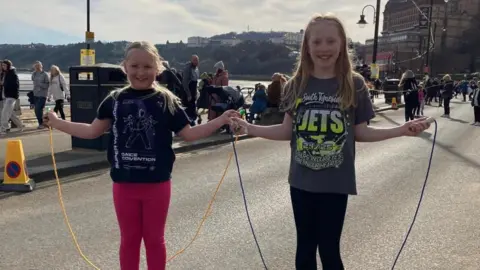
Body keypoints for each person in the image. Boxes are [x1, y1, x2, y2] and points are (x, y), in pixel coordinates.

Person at [229, 14, 430, 270]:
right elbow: (285, 131)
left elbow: (362, 133)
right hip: (301, 182)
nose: (324, 48)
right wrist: (248, 127)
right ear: (307, 46)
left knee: (329, 250)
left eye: (331, 41)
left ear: (342, 44)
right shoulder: (295, 84)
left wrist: (401, 130)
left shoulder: (354, 84)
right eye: (317, 42)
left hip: (336, 183)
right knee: (304, 248)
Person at [42, 41, 239, 270]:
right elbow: (91, 130)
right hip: (124, 184)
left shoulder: (166, 100)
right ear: (124, 67)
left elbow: (189, 134)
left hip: (157, 184)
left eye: (147, 66)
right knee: (129, 240)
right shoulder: (115, 100)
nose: (140, 72)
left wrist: (221, 120)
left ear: (158, 69)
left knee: (154, 240)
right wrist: (58, 123)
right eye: (134, 65)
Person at [0, 59, 23, 135]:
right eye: (2, 65)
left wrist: (4, 84)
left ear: (8, 65)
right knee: (10, 113)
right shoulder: (5, 73)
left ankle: (4, 128)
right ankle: (20, 125)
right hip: (6, 96)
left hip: (11, 96)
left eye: (4, 65)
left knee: (5, 112)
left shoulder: (12, 74)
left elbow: (15, 85)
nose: (3, 67)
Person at [182, 55, 200, 126]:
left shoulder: (196, 68)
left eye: (197, 60)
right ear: (191, 60)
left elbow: (196, 81)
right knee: (188, 108)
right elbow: (185, 82)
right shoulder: (187, 68)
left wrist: (195, 93)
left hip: (194, 91)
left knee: (193, 108)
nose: (196, 61)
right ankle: (188, 123)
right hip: (188, 92)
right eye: (195, 60)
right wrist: (188, 94)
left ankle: (192, 122)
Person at [32, 61, 50, 129]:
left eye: (38, 66)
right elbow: (33, 81)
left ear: (41, 66)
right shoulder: (34, 74)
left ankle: (42, 123)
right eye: (36, 66)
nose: (37, 67)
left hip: (43, 94)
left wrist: (40, 84)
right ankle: (43, 123)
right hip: (35, 94)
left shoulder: (45, 74)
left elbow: (48, 85)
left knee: (38, 109)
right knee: (38, 110)